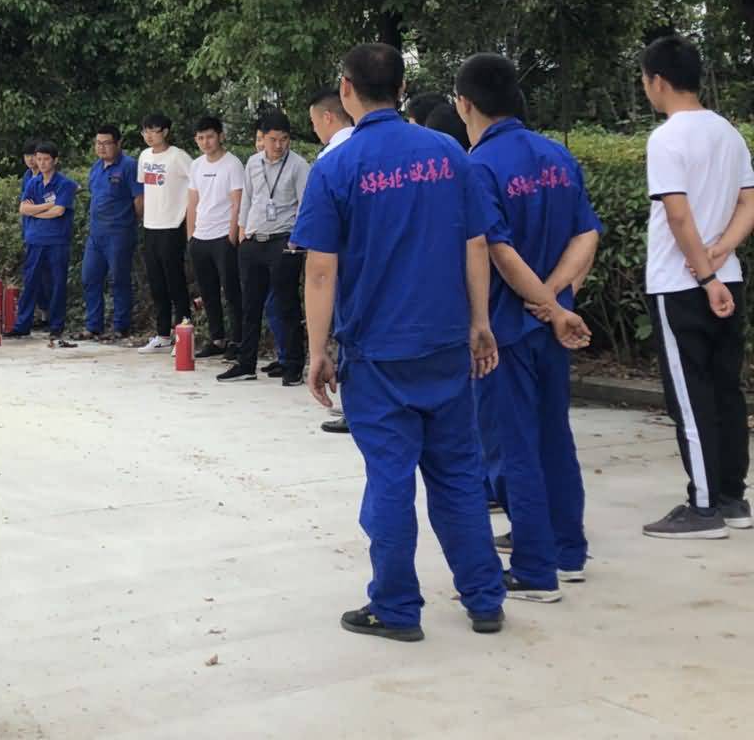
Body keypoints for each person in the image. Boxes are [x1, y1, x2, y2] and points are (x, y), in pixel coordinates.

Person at [292, 43, 506, 641]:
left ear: (347, 89)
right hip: (444, 343)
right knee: (459, 475)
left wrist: (317, 350)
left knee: (389, 479)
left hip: (378, 353)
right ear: (404, 88)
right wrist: (480, 321)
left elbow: (320, 270)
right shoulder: (447, 153)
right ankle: (485, 600)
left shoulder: (336, 166)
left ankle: (396, 606)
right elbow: (475, 243)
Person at [456, 53, 602, 600]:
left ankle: (537, 571)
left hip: (507, 330)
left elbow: (496, 249)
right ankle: (570, 550)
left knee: (513, 445)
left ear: (463, 104)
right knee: (554, 436)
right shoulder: (556, 154)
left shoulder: (479, 166)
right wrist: (559, 303)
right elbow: (586, 234)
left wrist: (546, 305)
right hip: (550, 329)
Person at [638, 35, 754, 538]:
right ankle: (733, 497)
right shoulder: (728, 132)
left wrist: (703, 273)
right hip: (727, 277)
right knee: (727, 389)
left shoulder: (666, 138)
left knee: (691, 396)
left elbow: (678, 213)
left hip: (681, 284)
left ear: (658, 81)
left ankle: (703, 507)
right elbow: (749, 202)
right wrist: (722, 250)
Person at [221, 110, 309, 382]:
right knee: (250, 306)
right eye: (273, 139)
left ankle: (293, 366)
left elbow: (306, 205)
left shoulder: (298, 165)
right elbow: (248, 197)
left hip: (283, 240)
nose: (279, 145)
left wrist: (297, 239)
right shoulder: (253, 163)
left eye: (284, 139)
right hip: (254, 241)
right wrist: (243, 230)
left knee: (286, 305)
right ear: (262, 139)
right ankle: (246, 364)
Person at [307, 89, 356, 432]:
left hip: (349, 270)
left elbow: (321, 268)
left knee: (351, 335)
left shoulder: (333, 159)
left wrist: (317, 349)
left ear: (328, 117)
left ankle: (353, 409)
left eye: (314, 123)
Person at [8, 142, 78, 345]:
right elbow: (23, 208)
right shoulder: (33, 182)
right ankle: (22, 325)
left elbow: (60, 211)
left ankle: (56, 326)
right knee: (31, 282)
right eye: (39, 159)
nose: (42, 163)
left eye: (46, 159)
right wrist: (47, 206)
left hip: (57, 240)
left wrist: (37, 210)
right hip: (35, 239)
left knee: (57, 283)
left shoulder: (65, 184)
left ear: (55, 160)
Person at [187, 115, 244, 358]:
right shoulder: (196, 165)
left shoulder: (232, 164)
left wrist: (232, 235)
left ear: (220, 136)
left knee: (232, 292)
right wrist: (190, 235)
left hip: (223, 236)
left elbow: (237, 202)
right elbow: (192, 201)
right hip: (201, 236)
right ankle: (217, 338)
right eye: (200, 138)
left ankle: (238, 341)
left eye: (210, 136)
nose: (206, 142)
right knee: (208, 291)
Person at [136, 113, 194, 353]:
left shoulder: (179, 157)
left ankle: (184, 333)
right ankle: (162, 335)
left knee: (175, 282)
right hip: (151, 226)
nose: (150, 136)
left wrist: (189, 219)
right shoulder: (144, 156)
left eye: (155, 130)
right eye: (146, 131)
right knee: (157, 283)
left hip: (173, 226)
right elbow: (145, 188)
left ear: (166, 132)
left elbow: (197, 185)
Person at [80, 126, 144, 342]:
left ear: (118, 144)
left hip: (119, 232)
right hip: (96, 234)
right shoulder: (96, 168)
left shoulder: (128, 166)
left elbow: (139, 200)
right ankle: (93, 325)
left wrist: (131, 223)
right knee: (90, 278)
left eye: (106, 143)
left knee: (119, 280)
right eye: (98, 143)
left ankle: (120, 326)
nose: (102, 147)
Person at [20, 140, 50, 328]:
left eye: (34, 156)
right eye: (27, 156)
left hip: (46, 232)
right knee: (32, 276)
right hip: (29, 231)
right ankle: (40, 313)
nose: (31, 160)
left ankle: (49, 315)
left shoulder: (48, 177)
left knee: (47, 276)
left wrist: (33, 209)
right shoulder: (27, 176)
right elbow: (24, 207)